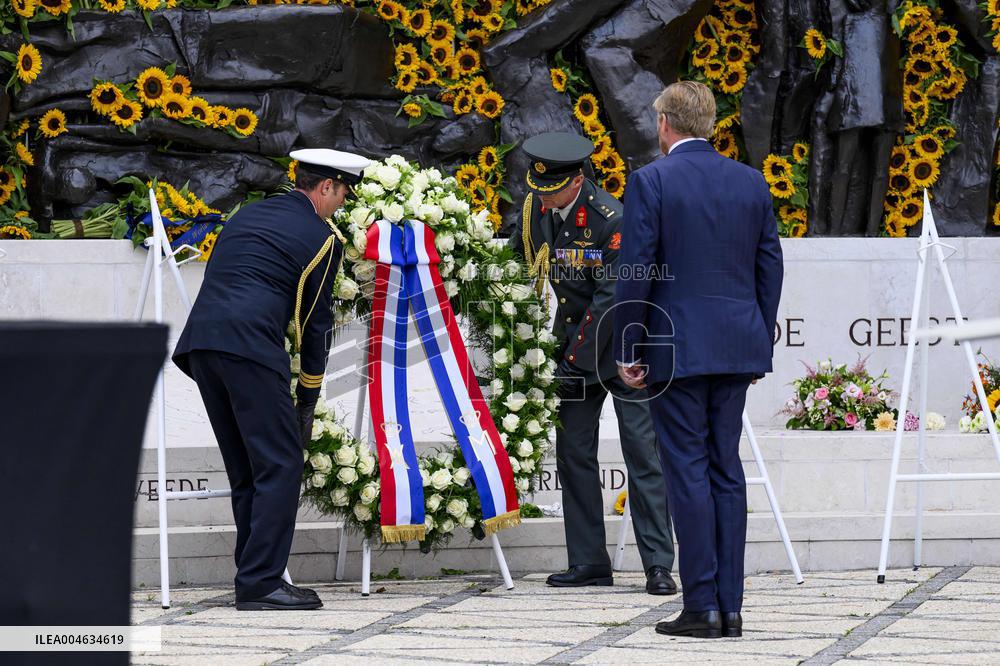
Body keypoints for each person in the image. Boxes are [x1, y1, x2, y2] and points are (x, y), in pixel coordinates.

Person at [614, 82, 783, 638]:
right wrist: (755, 333)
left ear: (665, 123)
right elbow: (768, 267)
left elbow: (637, 268)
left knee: (686, 470)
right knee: (725, 471)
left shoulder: (651, 180)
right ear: (708, 123)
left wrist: (628, 347)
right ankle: (730, 608)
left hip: (676, 348)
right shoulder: (750, 181)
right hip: (735, 344)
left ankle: (702, 606)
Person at [173, 148, 371, 611]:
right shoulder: (324, 240)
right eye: (342, 194)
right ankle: (262, 583)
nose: (341, 204)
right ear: (326, 187)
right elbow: (315, 325)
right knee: (281, 464)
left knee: (247, 468)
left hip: (202, 347)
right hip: (250, 351)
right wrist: (308, 396)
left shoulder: (246, 216)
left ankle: (253, 573)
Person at [509, 132, 677, 595]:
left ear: (577, 180)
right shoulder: (536, 213)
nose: (542, 199)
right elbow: (515, 267)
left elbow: (609, 303)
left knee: (642, 454)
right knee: (573, 454)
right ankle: (587, 561)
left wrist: (571, 358)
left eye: (552, 191)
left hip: (621, 352)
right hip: (572, 353)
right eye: (537, 190)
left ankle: (658, 565)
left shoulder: (611, 219)